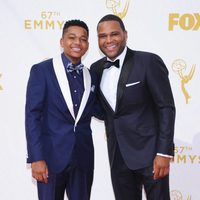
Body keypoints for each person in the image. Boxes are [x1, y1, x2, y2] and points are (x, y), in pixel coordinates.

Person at [91, 14, 176, 200]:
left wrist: (164, 152)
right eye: (102, 36)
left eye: (114, 34)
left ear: (125, 34)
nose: (109, 40)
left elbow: (166, 108)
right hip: (118, 157)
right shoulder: (95, 69)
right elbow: (102, 110)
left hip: (151, 154)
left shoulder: (148, 62)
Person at [25, 19, 98, 200]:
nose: (77, 43)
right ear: (62, 41)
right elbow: (32, 115)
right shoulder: (42, 71)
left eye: (83, 39)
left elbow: (100, 111)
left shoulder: (92, 76)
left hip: (83, 159)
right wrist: (36, 158)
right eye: (72, 38)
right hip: (50, 159)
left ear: (87, 45)